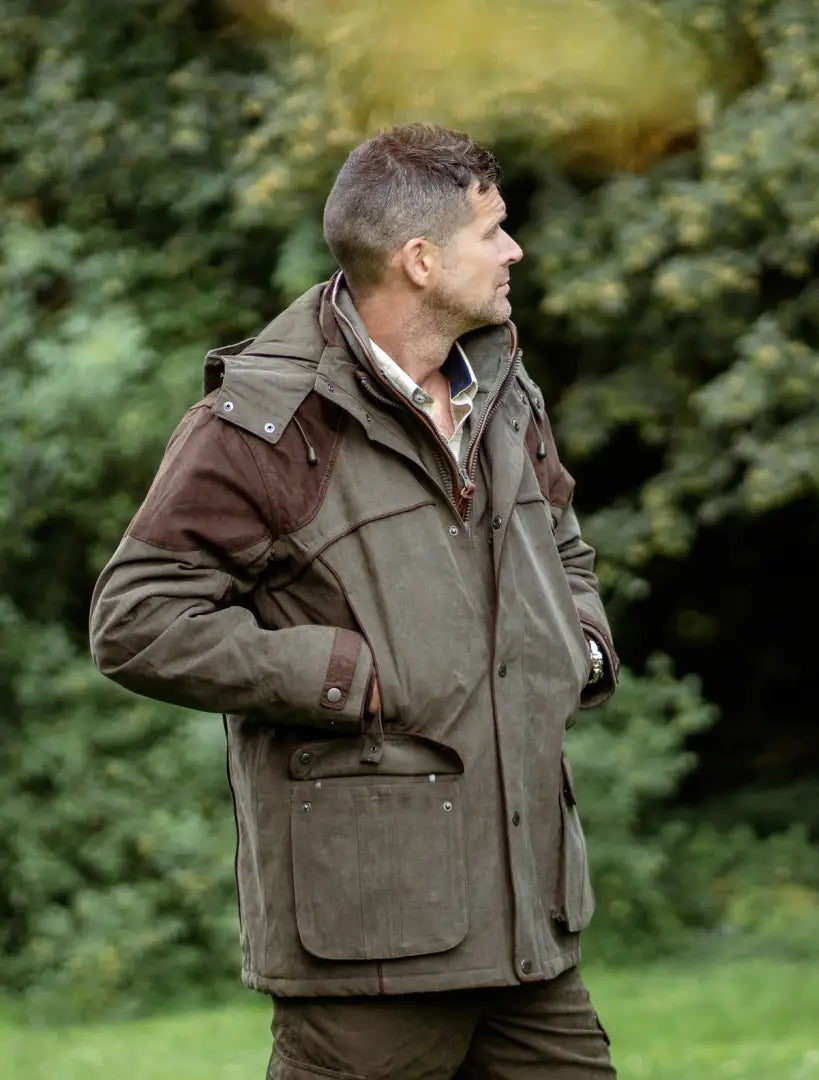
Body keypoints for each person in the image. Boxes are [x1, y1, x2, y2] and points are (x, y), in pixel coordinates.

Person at [88, 123, 619, 1079]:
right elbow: (136, 619)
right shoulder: (266, 424)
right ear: (420, 260)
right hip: (370, 941)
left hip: (529, 929)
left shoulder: (505, 388)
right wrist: (345, 675)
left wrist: (576, 647)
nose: (514, 251)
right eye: (492, 231)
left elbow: (566, 548)